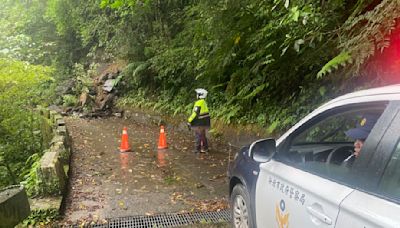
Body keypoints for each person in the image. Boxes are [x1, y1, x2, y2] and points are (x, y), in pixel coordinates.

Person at [187, 88, 211, 153]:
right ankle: (205, 148)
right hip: (205, 122)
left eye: (197, 94)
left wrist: (189, 120)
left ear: (200, 95)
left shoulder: (198, 103)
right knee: (203, 135)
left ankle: (197, 149)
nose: (196, 95)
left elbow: (195, 113)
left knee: (198, 135)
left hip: (199, 123)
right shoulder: (204, 103)